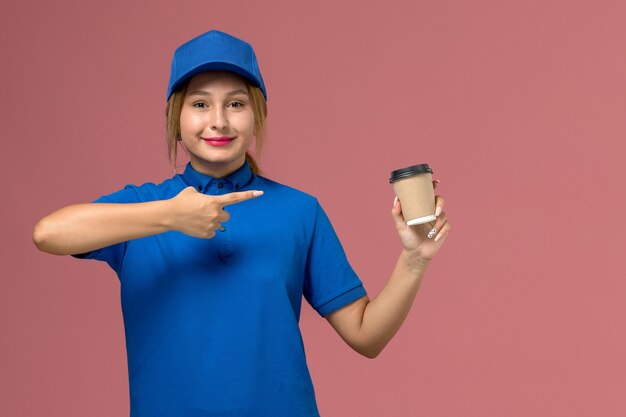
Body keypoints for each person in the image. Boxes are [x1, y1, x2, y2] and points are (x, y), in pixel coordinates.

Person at [32, 29, 451, 417]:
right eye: (199, 104)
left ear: (257, 117)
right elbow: (48, 233)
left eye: (236, 103)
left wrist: (414, 260)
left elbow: (365, 335)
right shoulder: (142, 207)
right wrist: (169, 215)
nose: (218, 120)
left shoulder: (298, 211)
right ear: (176, 119)